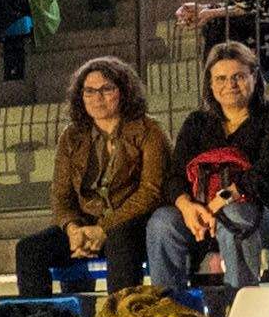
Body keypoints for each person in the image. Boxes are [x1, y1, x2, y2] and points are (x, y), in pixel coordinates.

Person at [152, 39, 269, 301]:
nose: (229, 85)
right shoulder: (198, 123)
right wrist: (188, 207)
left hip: (263, 213)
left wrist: (215, 205)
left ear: (255, 77)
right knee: (162, 223)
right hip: (203, 217)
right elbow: (174, 177)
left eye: (238, 76)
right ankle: (171, 310)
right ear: (210, 84)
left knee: (234, 215)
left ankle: (243, 307)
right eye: (220, 78)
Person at [13, 56, 168, 299]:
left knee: (120, 239)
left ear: (124, 92)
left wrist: (103, 228)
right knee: (29, 249)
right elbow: (61, 194)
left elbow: (150, 192)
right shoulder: (72, 136)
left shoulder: (149, 131)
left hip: (131, 223)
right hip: (86, 223)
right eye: (89, 91)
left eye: (107, 89)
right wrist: (73, 229)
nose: (97, 98)